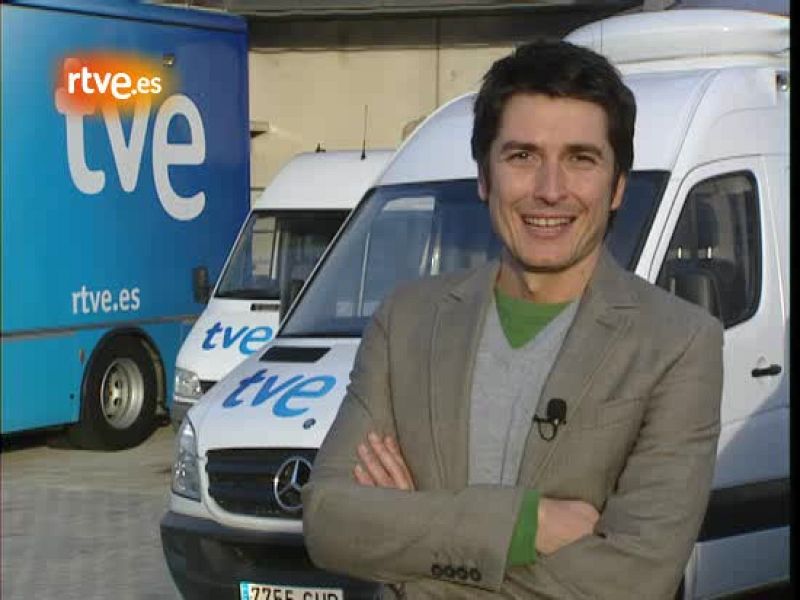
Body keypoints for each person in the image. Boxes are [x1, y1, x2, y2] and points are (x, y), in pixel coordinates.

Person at [302, 39, 723, 599]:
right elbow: (330, 522)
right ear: (484, 177)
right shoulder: (406, 322)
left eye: (580, 159)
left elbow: (634, 580)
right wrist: (529, 524)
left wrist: (410, 550)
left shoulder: (678, 343)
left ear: (618, 186)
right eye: (522, 156)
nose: (550, 191)